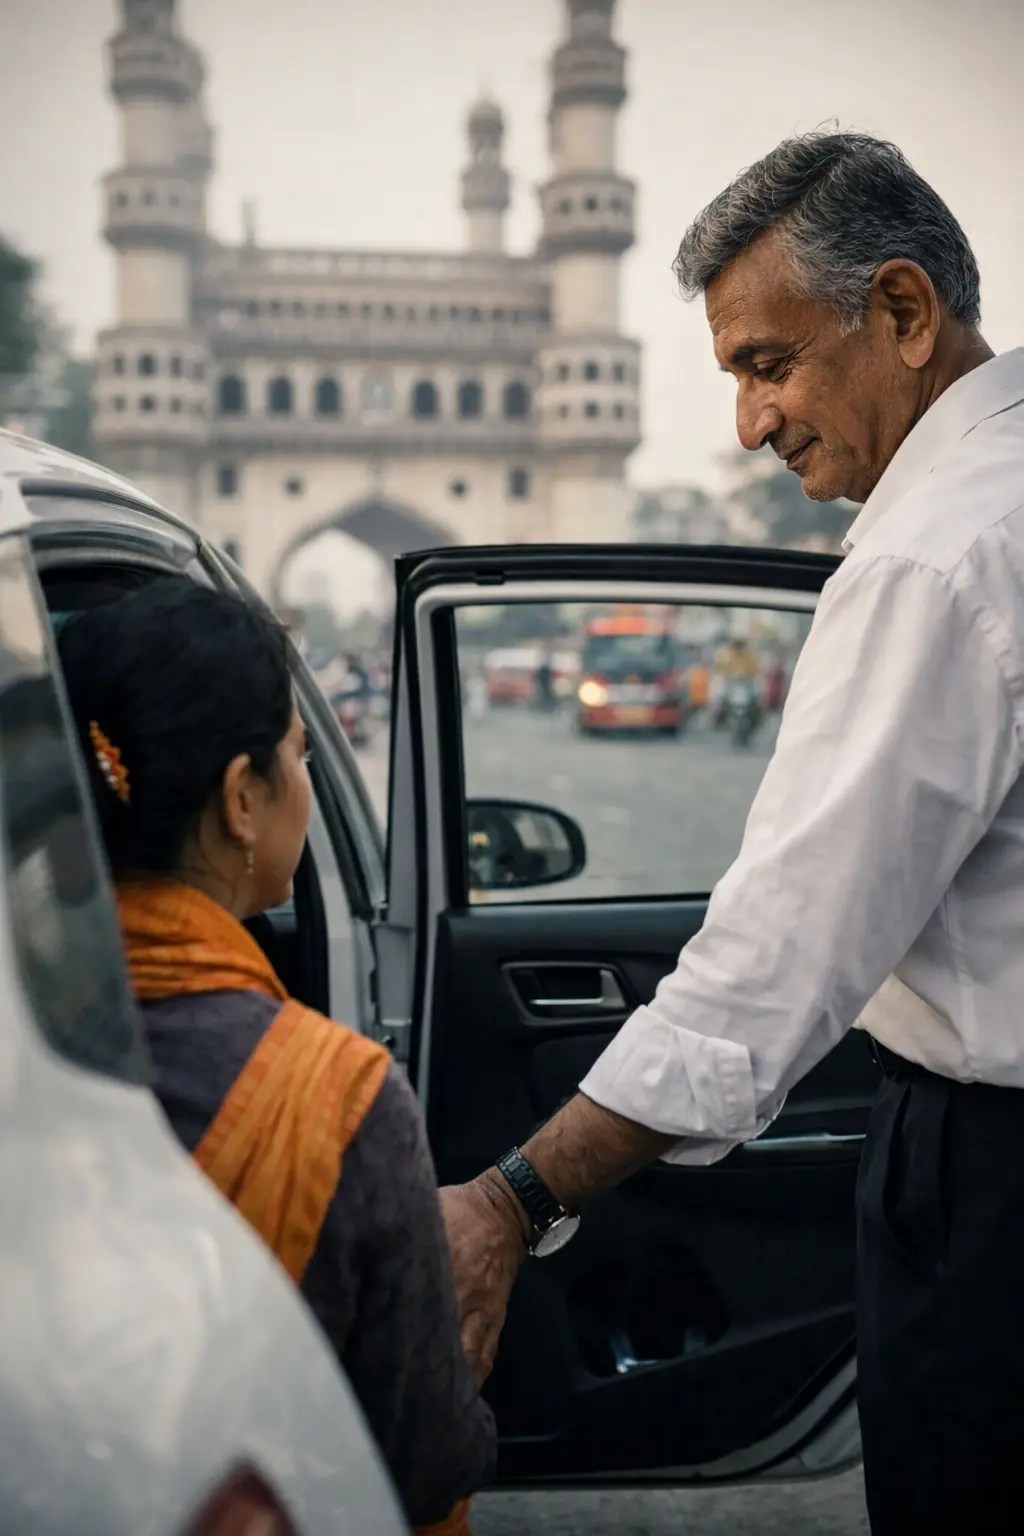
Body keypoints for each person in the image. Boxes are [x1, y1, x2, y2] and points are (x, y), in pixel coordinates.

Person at [442, 130, 1024, 1535]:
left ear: (902, 312)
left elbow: (773, 963)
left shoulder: (933, 555)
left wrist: (515, 1199)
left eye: (770, 364)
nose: (752, 424)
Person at [57, 579, 494, 1535]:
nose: (304, 779)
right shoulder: (334, 1097)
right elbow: (424, 1465)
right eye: (296, 754)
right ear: (241, 799)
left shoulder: (30, 1043)